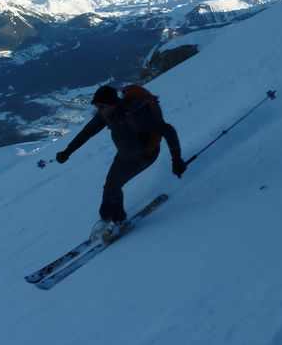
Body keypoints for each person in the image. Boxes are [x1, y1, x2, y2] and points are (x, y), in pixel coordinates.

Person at [55, 84, 185, 240]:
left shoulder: (135, 116)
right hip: (124, 154)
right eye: (96, 106)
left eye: (102, 106)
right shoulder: (106, 114)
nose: (99, 110)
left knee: (113, 185)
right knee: (109, 185)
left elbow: (168, 131)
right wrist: (67, 151)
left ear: (113, 104)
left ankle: (120, 222)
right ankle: (105, 218)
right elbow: (87, 132)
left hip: (144, 155)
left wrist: (176, 159)